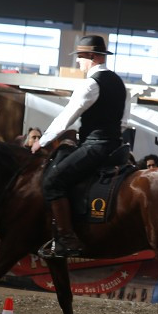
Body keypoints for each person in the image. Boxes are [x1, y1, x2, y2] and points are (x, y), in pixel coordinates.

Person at [32, 35, 126, 257]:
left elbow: (66, 117)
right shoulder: (119, 83)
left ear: (92, 57)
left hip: (96, 146)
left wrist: (41, 142)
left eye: (80, 57)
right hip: (115, 146)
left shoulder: (91, 84)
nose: (78, 62)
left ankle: (67, 239)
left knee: (53, 182)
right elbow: (125, 120)